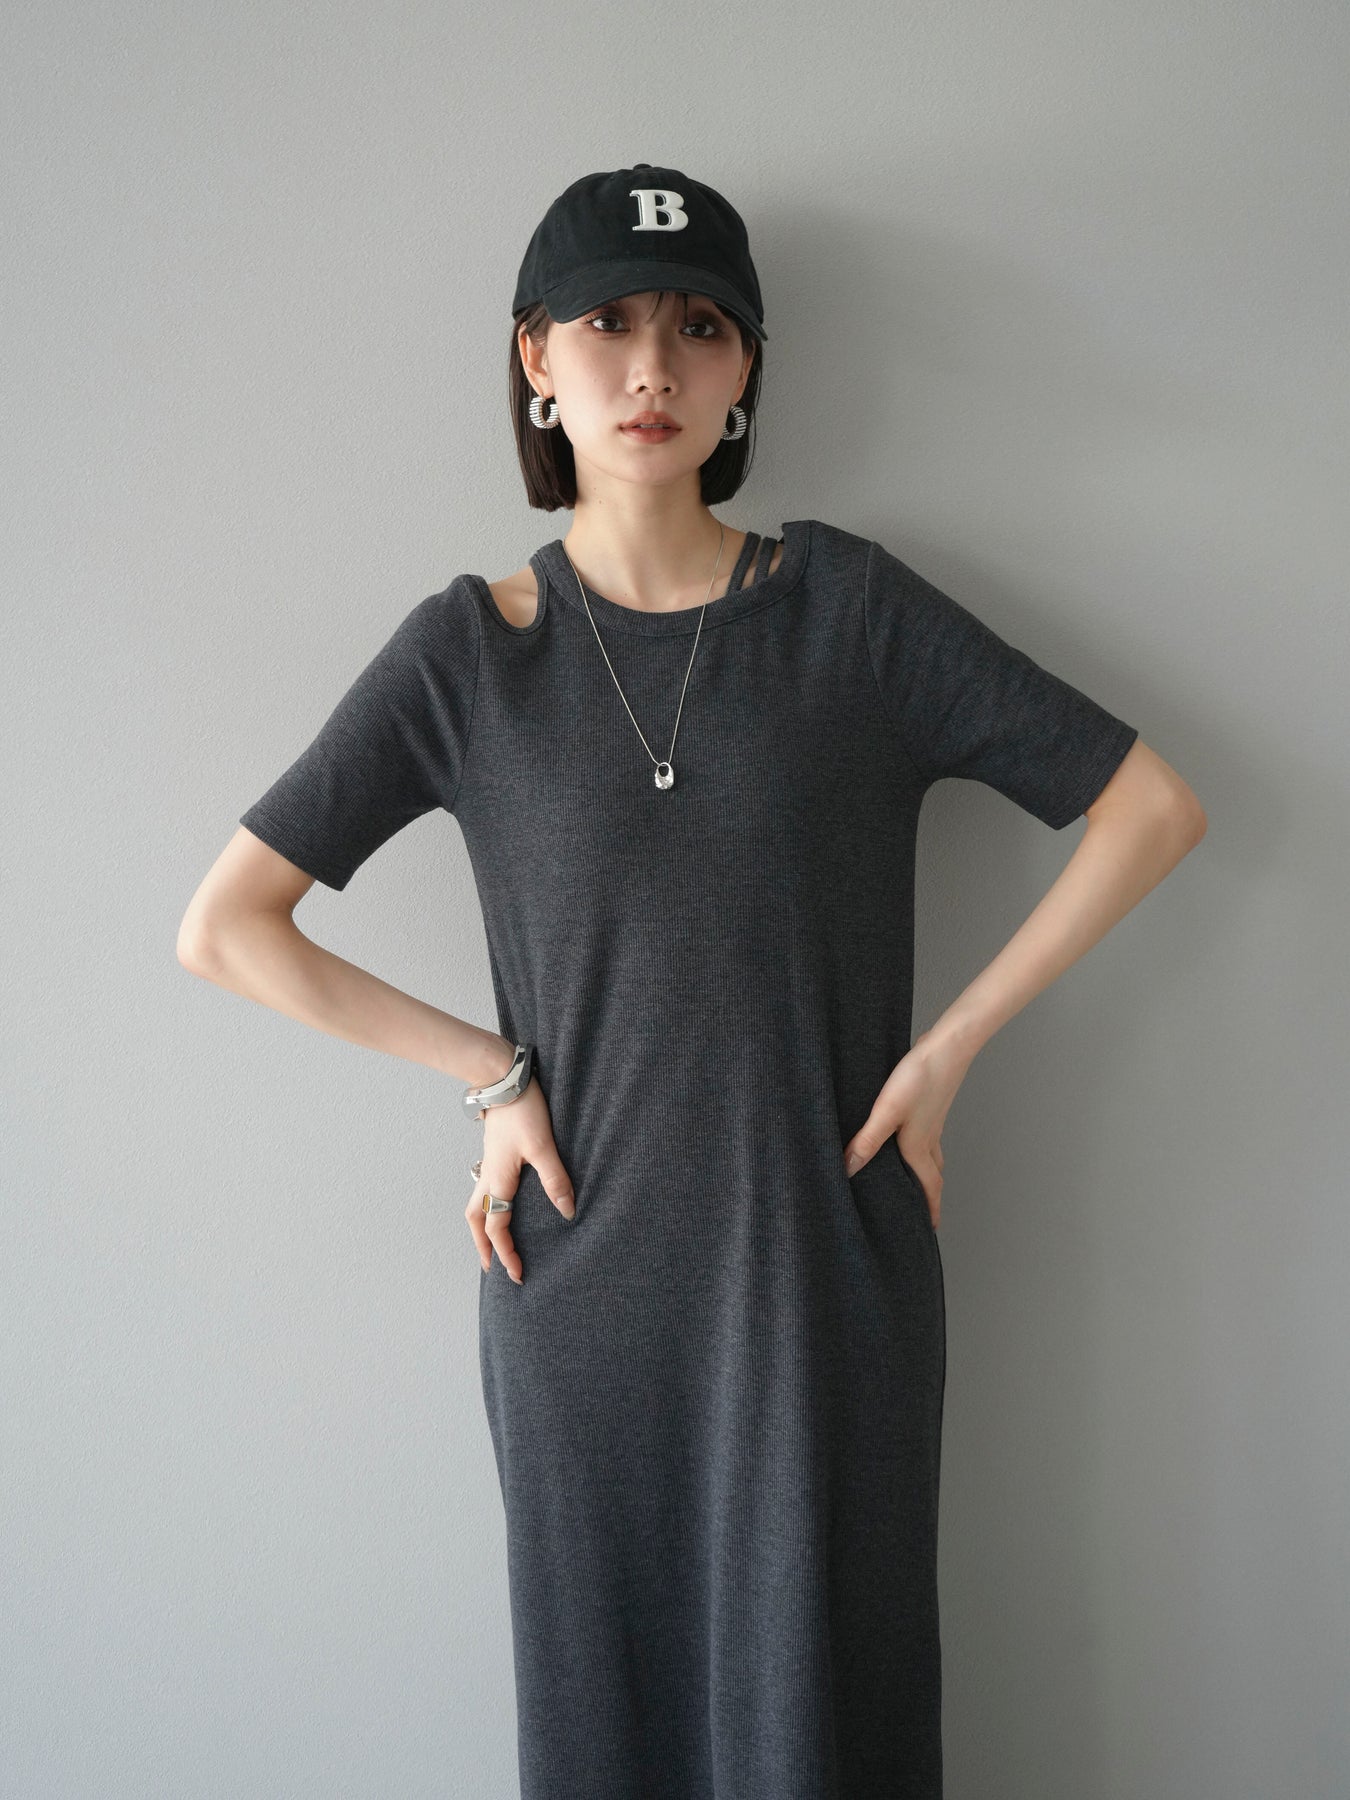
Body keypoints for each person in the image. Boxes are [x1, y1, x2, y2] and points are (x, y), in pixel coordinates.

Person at [177, 162, 1206, 1800]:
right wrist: (489, 1075)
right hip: (580, 1289)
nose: (650, 367)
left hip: (825, 1276)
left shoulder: (849, 612)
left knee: (829, 1725)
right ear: (537, 357)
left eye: (698, 329)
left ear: (744, 374)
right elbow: (229, 925)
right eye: (607, 325)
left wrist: (944, 1056)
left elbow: (1148, 811)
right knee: (610, 1731)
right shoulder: (471, 652)